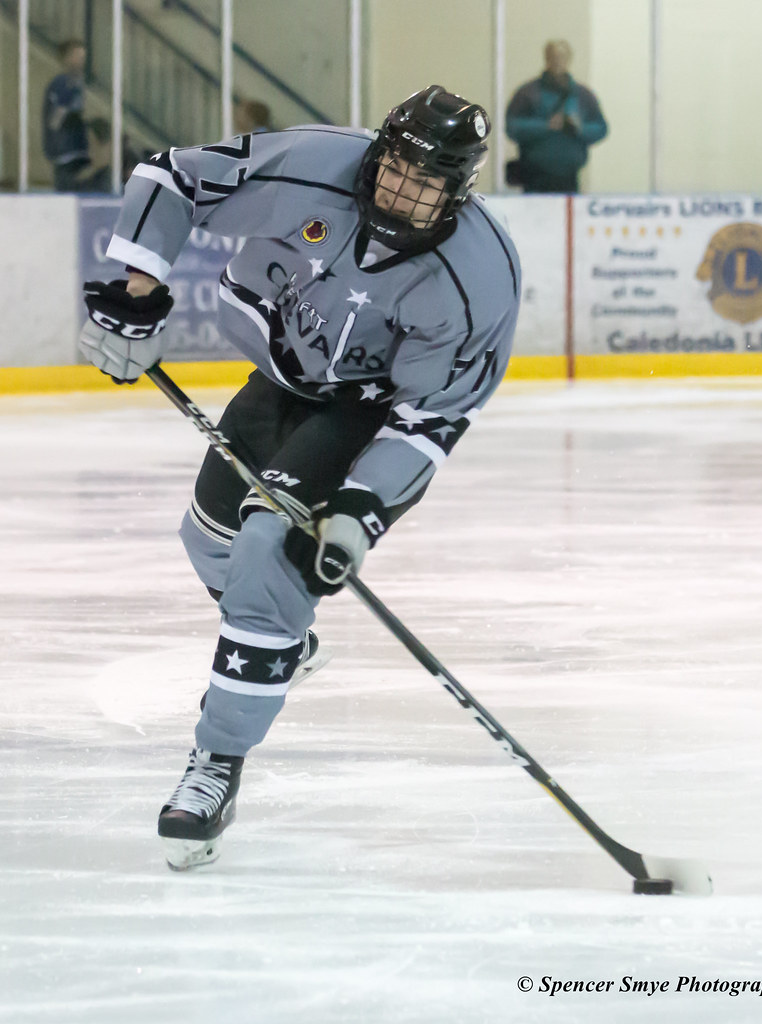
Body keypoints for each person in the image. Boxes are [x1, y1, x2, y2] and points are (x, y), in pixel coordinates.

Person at [78, 84, 521, 871]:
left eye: (425, 182)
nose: (400, 190)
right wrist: (137, 296)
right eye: (395, 168)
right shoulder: (315, 163)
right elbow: (172, 177)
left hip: (362, 413)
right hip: (278, 382)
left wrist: (360, 510)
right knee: (207, 539)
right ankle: (287, 641)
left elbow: (431, 418)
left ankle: (215, 765)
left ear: (456, 190)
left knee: (267, 554)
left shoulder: (478, 276)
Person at [505, 39, 608, 193]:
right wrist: (545, 126)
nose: (558, 61)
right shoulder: (528, 93)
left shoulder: (583, 95)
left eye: (562, 57)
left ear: (569, 59)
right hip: (533, 177)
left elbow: (600, 128)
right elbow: (512, 127)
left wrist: (579, 127)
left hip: (570, 177)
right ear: (546, 58)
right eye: (554, 57)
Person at [42, 39, 89, 192]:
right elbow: (55, 121)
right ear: (66, 58)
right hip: (66, 155)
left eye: (82, 57)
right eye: (77, 56)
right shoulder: (62, 83)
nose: (81, 61)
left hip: (76, 153)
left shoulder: (76, 83)